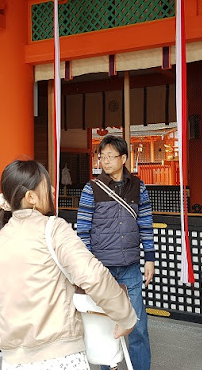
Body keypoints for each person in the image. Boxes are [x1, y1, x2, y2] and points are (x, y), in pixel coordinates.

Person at [0, 159, 137, 369]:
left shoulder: (0, 236)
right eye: (45, 185)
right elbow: (93, 275)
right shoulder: (52, 228)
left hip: (14, 360)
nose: (51, 189)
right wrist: (126, 315)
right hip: (59, 356)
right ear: (31, 197)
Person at [77, 135, 154, 370]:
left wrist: (149, 258)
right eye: (102, 156)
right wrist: (89, 267)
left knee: (138, 326)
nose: (105, 160)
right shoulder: (91, 189)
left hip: (130, 267)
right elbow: (82, 230)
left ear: (124, 158)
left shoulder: (138, 187)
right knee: (106, 325)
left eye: (111, 156)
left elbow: (146, 223)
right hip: (103, 269)